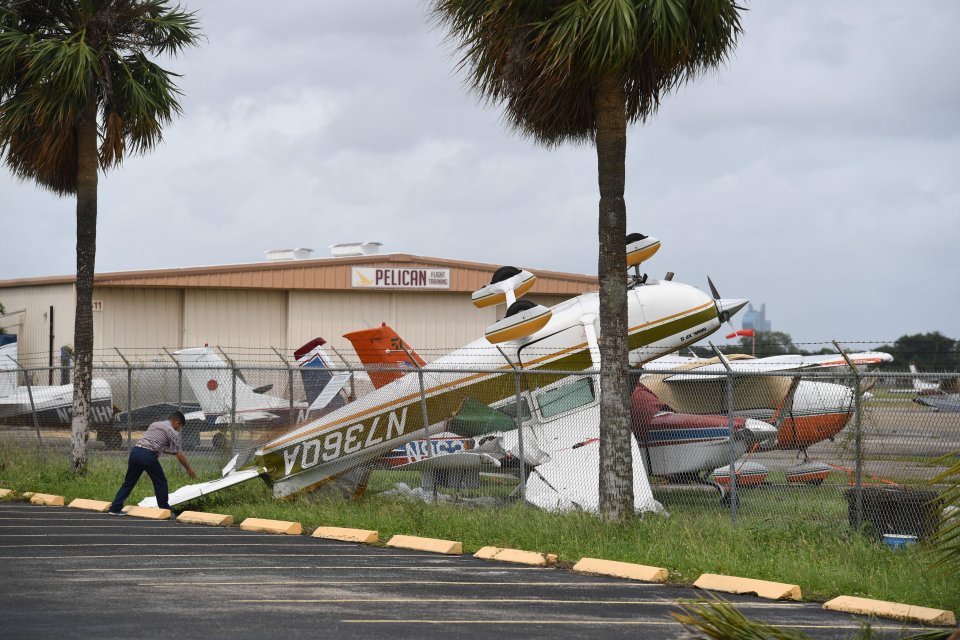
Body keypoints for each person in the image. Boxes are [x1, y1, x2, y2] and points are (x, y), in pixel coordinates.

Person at [108, 411, 196, 515]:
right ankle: (165, 509)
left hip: (135, 452)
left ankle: (115, 508)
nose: (179, 429)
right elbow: (179, 455)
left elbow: (153, 442)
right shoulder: (173, 432)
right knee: (160, 482)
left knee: (129, 482)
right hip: (148, 456)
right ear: (176, 423)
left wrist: (170, 452)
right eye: (180, 426)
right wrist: (189, 470)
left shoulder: (155, 424)